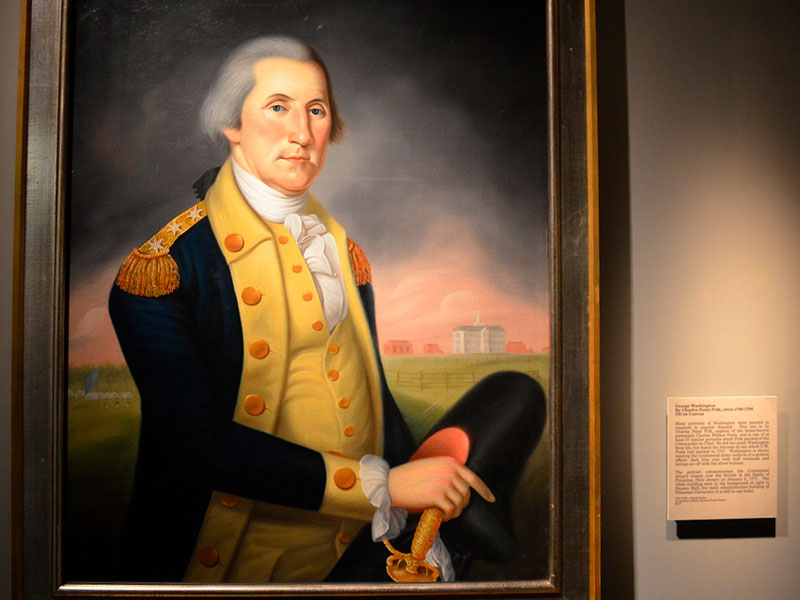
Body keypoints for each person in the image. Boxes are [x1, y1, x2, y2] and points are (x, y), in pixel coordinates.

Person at [109, 36, 545, 584]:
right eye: (278, 107)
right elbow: (197, 448)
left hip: (360, 536)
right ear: (231, 124)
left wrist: (411, 485)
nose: (302, 132)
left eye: (316, 110)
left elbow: (370, 398)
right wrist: (383, 488)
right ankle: (455, 533)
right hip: (236, 557)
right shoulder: (164, 268)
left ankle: (441, 533)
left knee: (515, 393)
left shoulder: (340, 247)